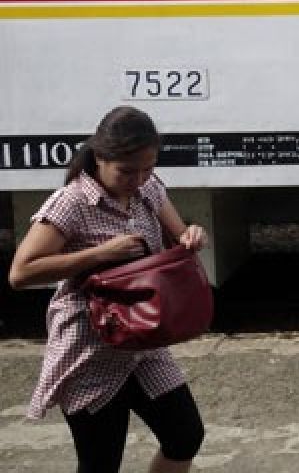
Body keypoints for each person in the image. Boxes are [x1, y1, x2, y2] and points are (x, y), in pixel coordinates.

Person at [8, 106, 208, 473]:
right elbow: (20, 273)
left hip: (145, 342)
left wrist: (190, 235)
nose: (139, 178)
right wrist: (100, 254)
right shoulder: (71, 203)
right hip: (90, 353)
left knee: (185, 436)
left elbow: (179, 235)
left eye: (148, 168)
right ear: (101, 158)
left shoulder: (148, 187)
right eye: (127, 171)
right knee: (100, 463)